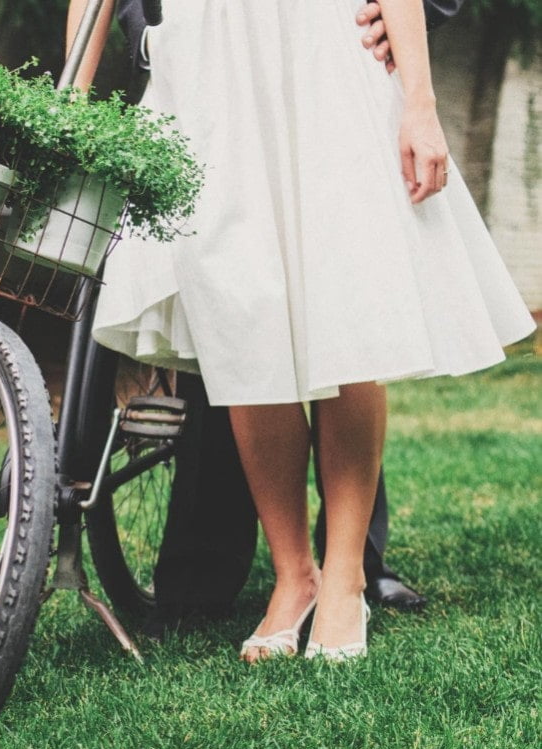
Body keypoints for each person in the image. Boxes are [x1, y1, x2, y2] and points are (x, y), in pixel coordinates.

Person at [70, 0, 535, 660]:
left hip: (323, 53)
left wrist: (420, 104)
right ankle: (296, 576)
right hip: (205, 68)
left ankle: (344, 578)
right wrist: (73, 96)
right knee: (240, 321)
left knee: (342, 310)